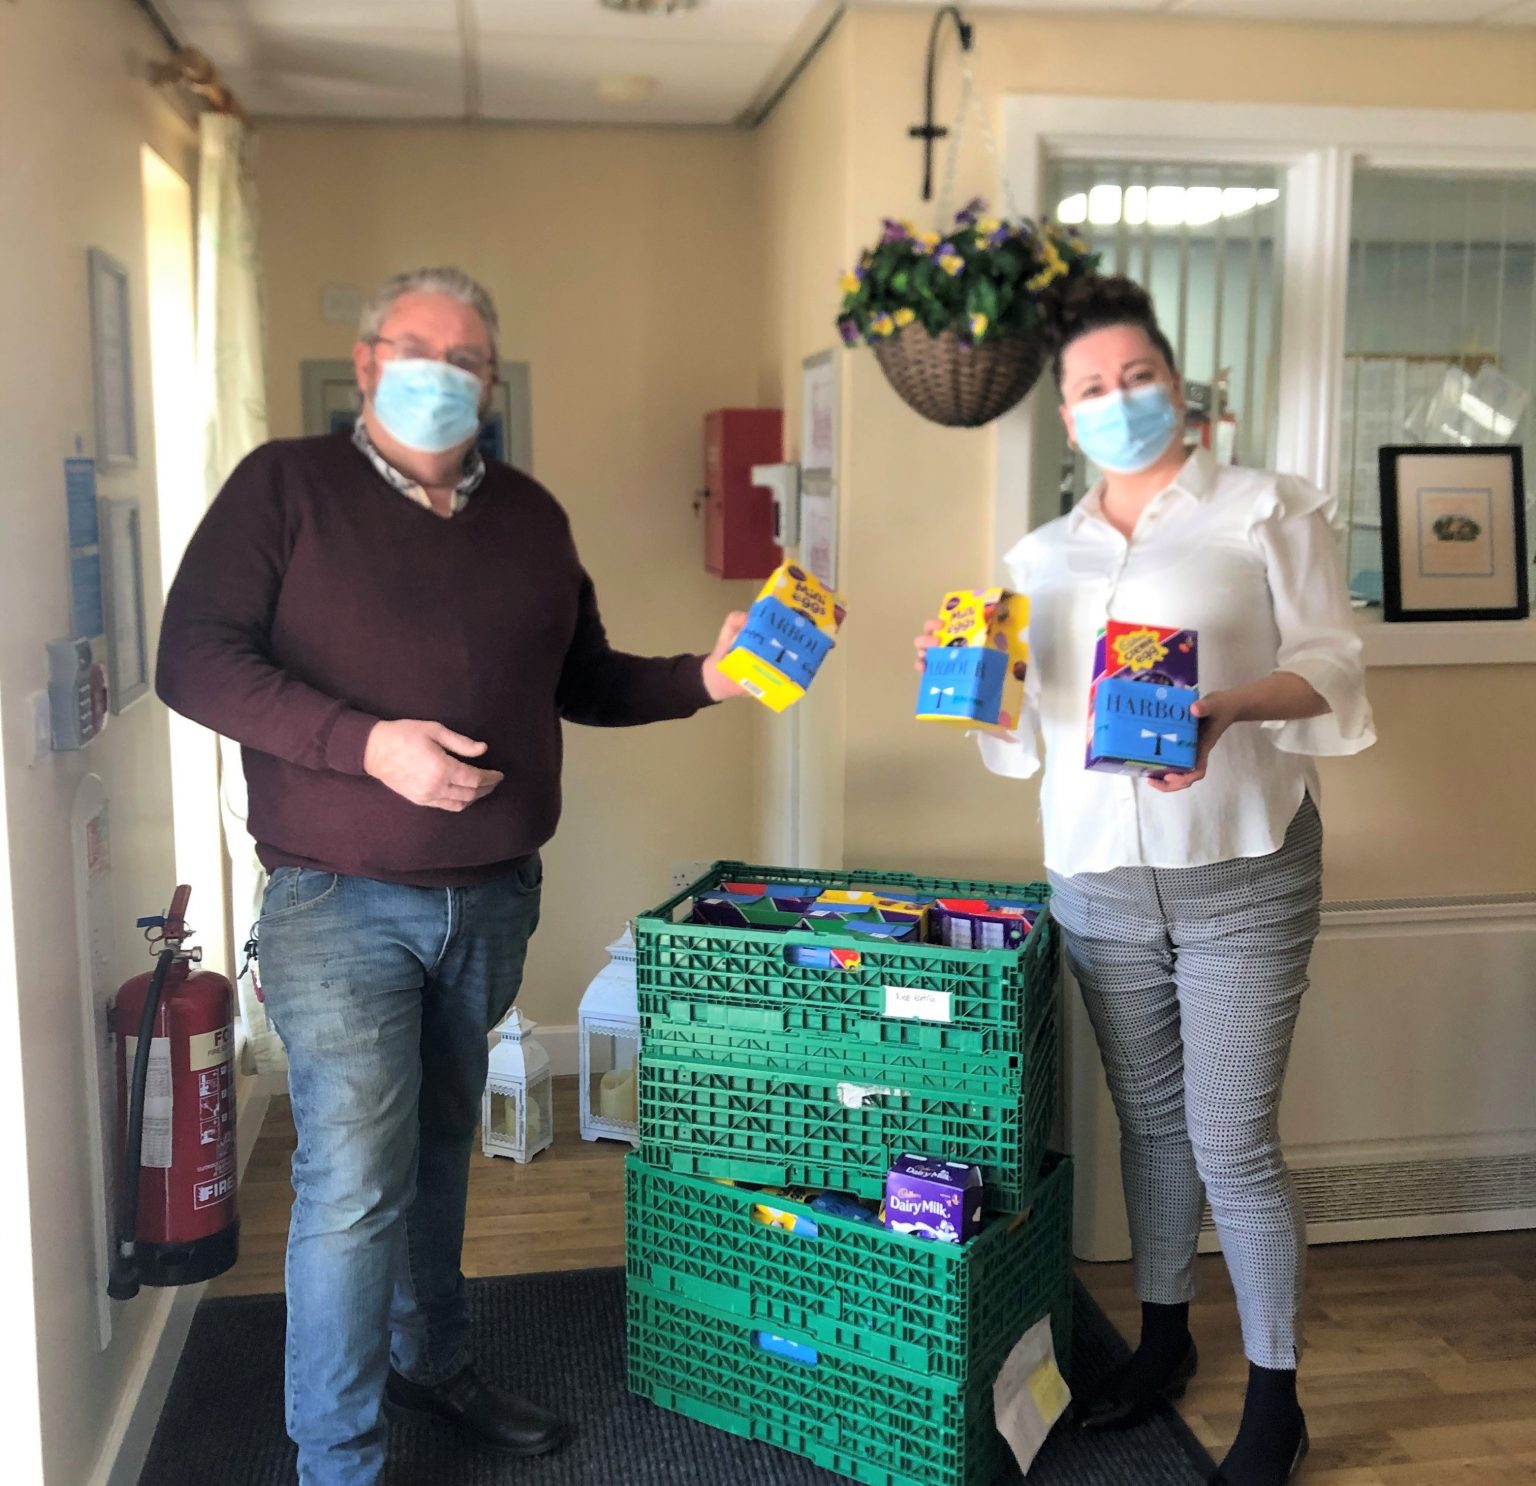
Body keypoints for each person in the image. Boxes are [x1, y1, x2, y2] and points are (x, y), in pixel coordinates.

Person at [157, 266, 749, 1486]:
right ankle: (339, 1460)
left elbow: (581, 679)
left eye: (466, 357)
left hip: (490, 897)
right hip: (336, 900)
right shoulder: (284, 487)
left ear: (489, 382)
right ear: (367, 362)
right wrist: (366, 744)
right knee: (352, 1184)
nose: (441, 372)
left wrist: (706, 677)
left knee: (435, 1151)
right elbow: (194, 660)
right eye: (415, 348)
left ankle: (433, 1360)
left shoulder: (531, 514)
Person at [915, 276, 1374, 1486]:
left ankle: (1276, 1398)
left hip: (1243, 865)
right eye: (1092, 388)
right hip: (1098, 878)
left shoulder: (1266, 507)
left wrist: (1228, 706)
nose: (1119, 401)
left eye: (1139, 378)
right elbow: (1025, 739)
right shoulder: (1038, 556)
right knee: (1152, 1125)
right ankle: (1164, 1338)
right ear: (1066, 416)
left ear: (1178, 386)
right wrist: (972, 684)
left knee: (1232, 1139)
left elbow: (1332, 663)